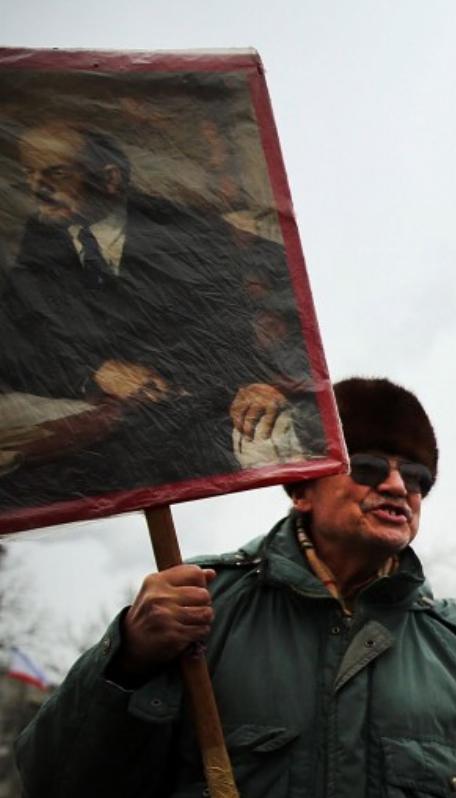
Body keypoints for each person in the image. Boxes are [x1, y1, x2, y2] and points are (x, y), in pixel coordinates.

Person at [15, 377, 456, 798]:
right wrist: (128, 658)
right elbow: (63, 796)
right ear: (301, 488)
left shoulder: (454, 654)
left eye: (417, 477)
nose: (395, 486)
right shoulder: (198, 604)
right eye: (366, 467)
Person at [0, 121, 320, 511]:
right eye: (29, 175)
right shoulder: (44, 236)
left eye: (56, 173)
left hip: (211, 416)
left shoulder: (187, 232)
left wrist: (270, 382)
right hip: (118, 431)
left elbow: (280, 316)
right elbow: (17, 339)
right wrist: (96, 371)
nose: (37, 188)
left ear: (110, 179)